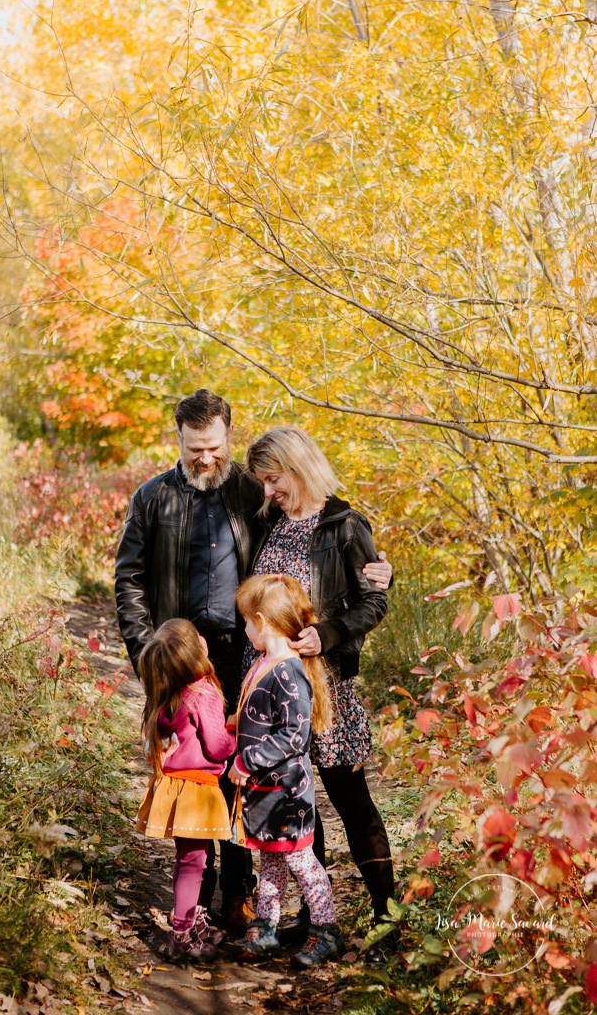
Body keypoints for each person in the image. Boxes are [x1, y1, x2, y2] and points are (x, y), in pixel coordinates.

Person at [115, 389, 392, 928]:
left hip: (293, 671)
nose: (205, 458)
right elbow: (128, 579)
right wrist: (149, 658)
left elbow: (344, 563)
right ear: (177, 439)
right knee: (219, 776)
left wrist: (378, 575)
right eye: (195, 448)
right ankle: (213, 902)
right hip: (205, 665)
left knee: (315, 793)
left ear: (229, 437)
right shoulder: (155, 498)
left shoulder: (254, 494)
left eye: (215, 447)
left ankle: (314, 908)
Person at [244, 427, 396, 963]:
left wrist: (325, 635)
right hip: (273, 693)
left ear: (298, 466)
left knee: (353, 804)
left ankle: (386, 921)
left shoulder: (346, 525)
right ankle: (316, 921)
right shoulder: (271, 522)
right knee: (296, 805)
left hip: (326, 689)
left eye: (273, 478)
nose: (268, 491)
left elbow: (372, 603)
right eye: (262, 481)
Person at [228, 574, 345, 969]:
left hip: (287, 796)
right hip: (266, 795)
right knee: (272, 862)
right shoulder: (266, 662)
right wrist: (235, 725)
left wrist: (247, 760)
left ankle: (326, 930)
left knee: (303, 865)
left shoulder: (288, 671)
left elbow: (294, 736)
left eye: (246, 622)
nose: (244, 629)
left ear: (262, 621)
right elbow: (262, 715)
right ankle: (266, 927)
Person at [135, 619, 236, 962]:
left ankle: (192, 921)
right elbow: (219, 746)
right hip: (197, 789)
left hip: (175, 786)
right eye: (198, 637)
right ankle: (181, 933)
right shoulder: (202, 692)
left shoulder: (168, 693)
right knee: (195, 862)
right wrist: (235, 730)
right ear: (194, 652)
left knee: (185, 858)